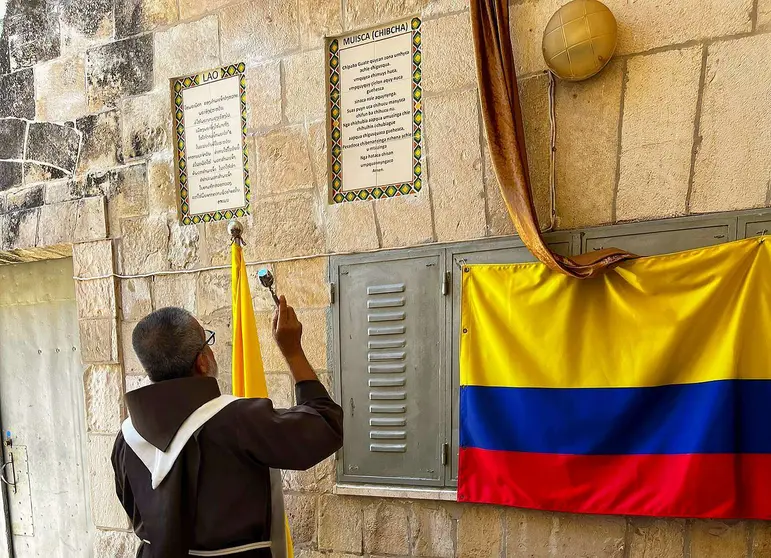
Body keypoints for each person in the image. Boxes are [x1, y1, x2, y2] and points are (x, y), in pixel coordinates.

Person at [111, 296, 343, 558]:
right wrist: (292, 351)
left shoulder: (125, 439)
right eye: (208, 342)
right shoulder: (238, 420)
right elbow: (326, 425)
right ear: (201, 362)